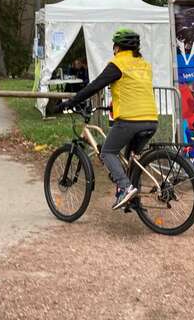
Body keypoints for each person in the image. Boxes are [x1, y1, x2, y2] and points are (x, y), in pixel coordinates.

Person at [59, 29, 158, 210]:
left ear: (117, 47)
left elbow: (95, 85)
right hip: (151, 119)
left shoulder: (117, 63)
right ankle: (133, 199)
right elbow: (135, 89)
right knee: (131, 160)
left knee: (107, 152)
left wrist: (71, 101)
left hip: (130, 120)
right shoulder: (144, 64)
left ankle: (125, 187)